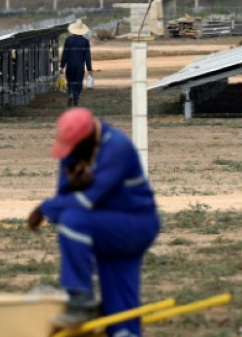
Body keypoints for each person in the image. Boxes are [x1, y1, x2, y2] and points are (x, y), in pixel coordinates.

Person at [28, 108, 160, 336]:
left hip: (136, 224)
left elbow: (86, 200)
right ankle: (125, 332)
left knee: (74, 220)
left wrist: (44, 208)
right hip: (105, 228)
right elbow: (64, 198)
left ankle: (80, 298)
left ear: (88, 138)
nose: (70, 154)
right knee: (118, 305)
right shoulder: (74, 152)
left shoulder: (117, 147)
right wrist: (66, 192)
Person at [60, 19, 94, 107]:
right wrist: (89, 68)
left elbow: (65, 53)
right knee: (78, 81)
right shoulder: (85, 42)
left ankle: (71, 92)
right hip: (80, 65)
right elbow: (87, 56)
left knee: (70, 80)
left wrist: (62, 66)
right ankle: (76, 95)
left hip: (70, 64)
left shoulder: (68, 40)